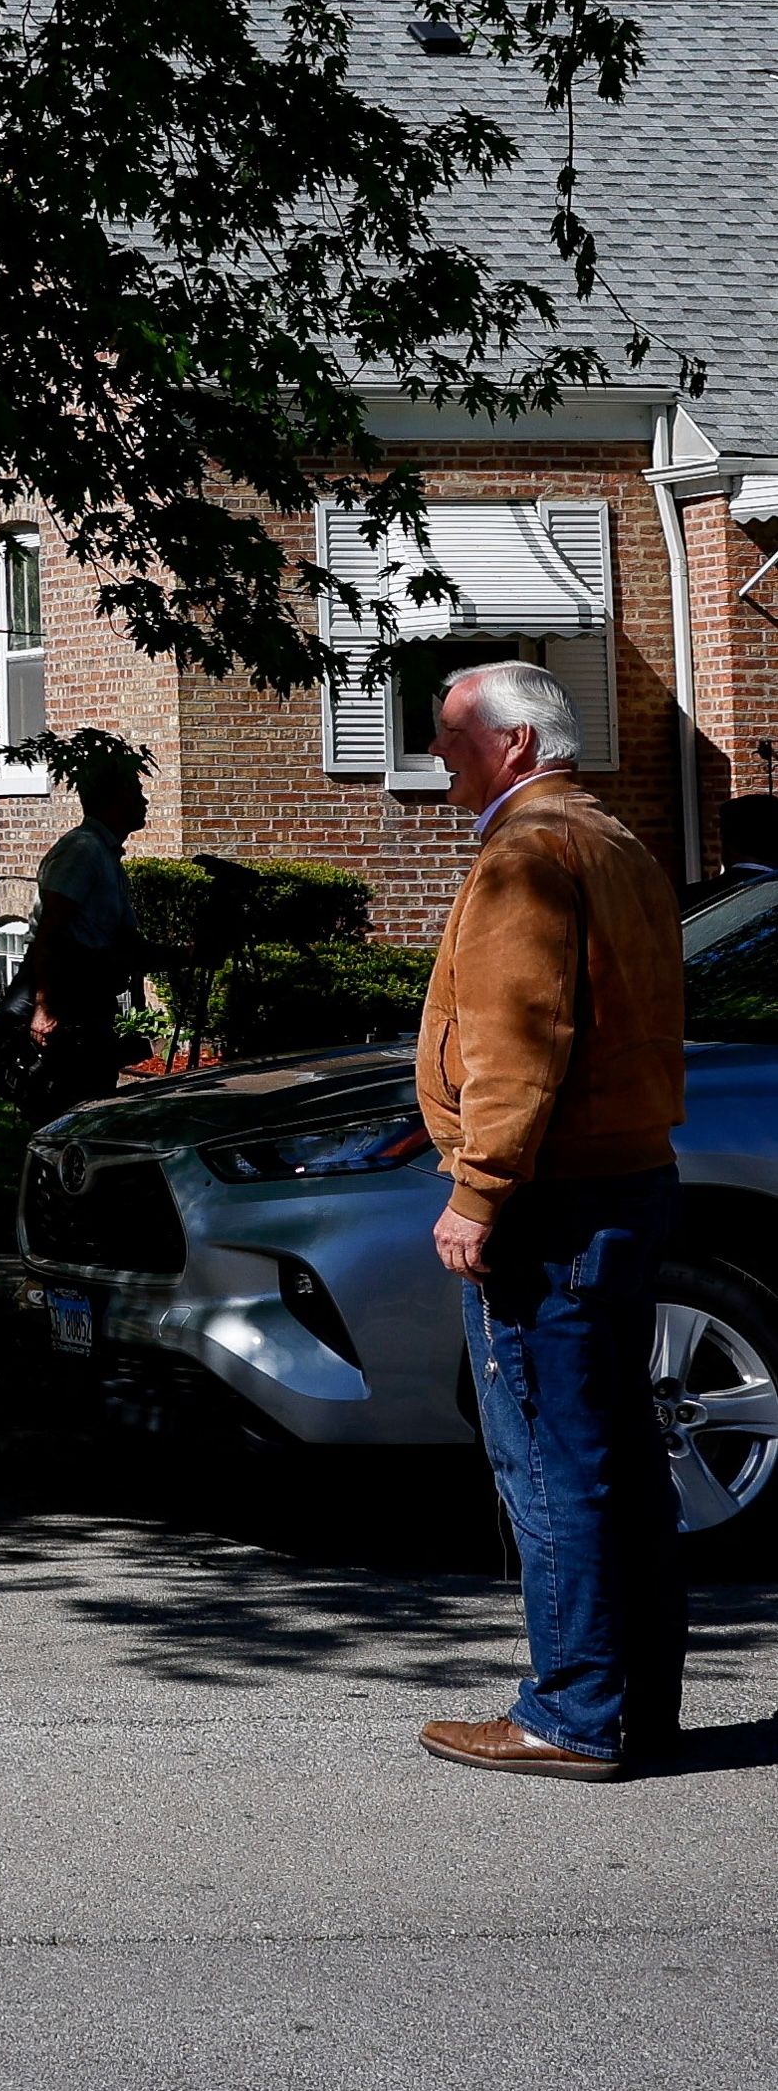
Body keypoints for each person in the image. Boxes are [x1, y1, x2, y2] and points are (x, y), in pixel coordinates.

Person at [414, 658, 689, 1778]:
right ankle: (636, 1704)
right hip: (624, 1185)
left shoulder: (526, 852)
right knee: (621, 1454)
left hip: (551, 1204)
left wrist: (477, 1191)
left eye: (452, 734)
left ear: (516, 745)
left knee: (550, 1461)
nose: (439, 754)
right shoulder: (616, 842)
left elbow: (519, 1037)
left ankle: (571, 1710)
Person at [18, 755, 151, 1123]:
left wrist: (187, 956)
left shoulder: (106, 855)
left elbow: (123, 945)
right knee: (69, 1108)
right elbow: (50, 931)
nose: (144, 801)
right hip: (70, 1007)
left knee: (94, 1101)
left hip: (92, 1005)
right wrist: (44, 1009)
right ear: (113, 799)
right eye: (136, 792)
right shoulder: (83, 850)